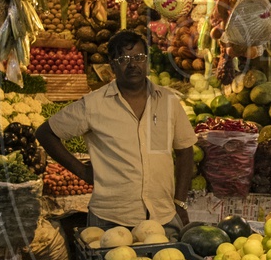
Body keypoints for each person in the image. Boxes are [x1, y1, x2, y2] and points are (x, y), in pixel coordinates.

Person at [35, 30, 196, 234]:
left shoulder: (168, 101)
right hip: (111, 220)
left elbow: (185, 151)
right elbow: (45, 133)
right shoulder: (93, 104)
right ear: (112, 65)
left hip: (162, 216)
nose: (133, 64)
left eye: (139, 57)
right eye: (124, 59)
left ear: (146, 61)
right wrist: (82, 171)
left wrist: (179, 202)